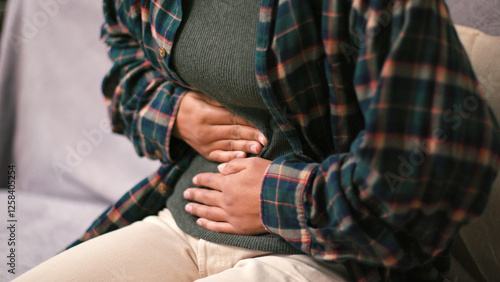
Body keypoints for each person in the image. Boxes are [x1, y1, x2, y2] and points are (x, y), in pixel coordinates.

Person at [15, 0, 500, 281]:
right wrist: (174, 111)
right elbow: (124, 67)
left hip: (331, 255)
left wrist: (276, 200)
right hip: (181, 220)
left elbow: (436, 173)